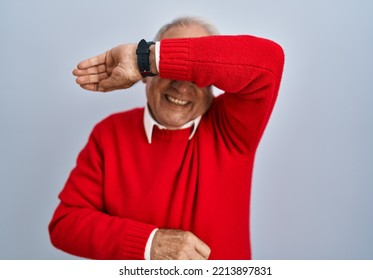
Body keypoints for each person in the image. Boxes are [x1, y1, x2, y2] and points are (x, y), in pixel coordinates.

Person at [49, 17, 284, 260]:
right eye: (168, 71)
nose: (182, 87)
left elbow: (270, 61)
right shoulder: (110, 133)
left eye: (198, 75)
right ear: (144, 76)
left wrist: (143, 58)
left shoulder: (231, 128)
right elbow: (65, 223)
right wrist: (148, 244)